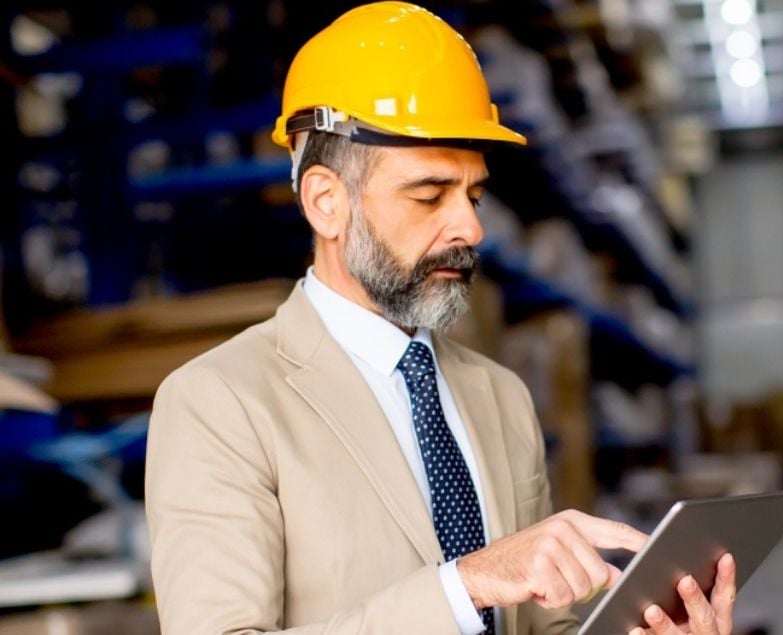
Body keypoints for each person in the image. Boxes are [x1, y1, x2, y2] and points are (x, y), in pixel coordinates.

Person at [145, 3, 737, 634]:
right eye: (429, 196)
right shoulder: (219, 404)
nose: (471, 227)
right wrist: (466, 585)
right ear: (326, 202)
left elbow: (542, 626)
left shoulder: (501, 397)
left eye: (474, 196)